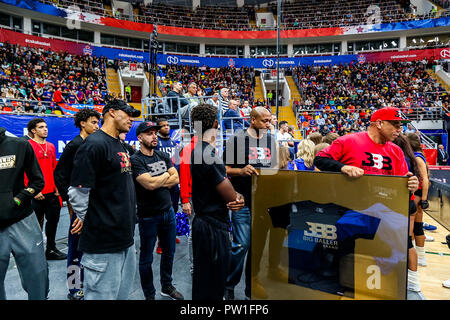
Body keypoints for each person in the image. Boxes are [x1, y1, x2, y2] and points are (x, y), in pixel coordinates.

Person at [314, 107, 423, 300]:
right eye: (395, 124)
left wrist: (410, 185)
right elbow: (320, 159)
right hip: (349, 211)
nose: (399, 129)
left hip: (383, 216)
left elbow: (402, 185)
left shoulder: (396, 151)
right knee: (344, 266)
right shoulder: (348, 141)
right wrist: (343, 167)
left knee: (382, 268)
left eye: (400, 125)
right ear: (379, 123)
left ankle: (408, 289)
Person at [68, 99, 141, 300]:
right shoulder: (94, 144)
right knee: (101, 296)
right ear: (111, 113)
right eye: (127, 115)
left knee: (120, 295)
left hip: (124, 237)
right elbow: (77, 192)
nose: (131, 120)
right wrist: (92, 221)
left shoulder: (119, 144)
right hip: (104, 241)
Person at [190, 103, 244, 300]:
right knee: (212, 283)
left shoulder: (199, 150)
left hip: (205, 223)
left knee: (205, 280)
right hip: (211, 227)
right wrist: (241, 197)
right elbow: (232, 197)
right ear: (215, 123)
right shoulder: (208, 154)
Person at [223, 107, 278, 300]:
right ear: (252, 120)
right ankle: (229, 284)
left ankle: (251, 287)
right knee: (241, 245)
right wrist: (240, 171)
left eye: (270, 121)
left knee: (257, 248)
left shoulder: (270, 140)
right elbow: (224, 169)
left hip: (263, 202)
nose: (268, 124)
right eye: (264, 121)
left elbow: (274, 168)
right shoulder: (237, 140)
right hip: (243, 201)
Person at [131, 121, 184, 300]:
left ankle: (166, 286)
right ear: (140, 137)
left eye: (155, 133)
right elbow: (149, 184)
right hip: (148, 216)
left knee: (169, 252)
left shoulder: (161, 155)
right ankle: (150, 295)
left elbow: (175, 179)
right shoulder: (136, 160)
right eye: (149, 133)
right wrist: (163, 178)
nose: (154, 136)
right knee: (146, 258)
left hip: (168, 212)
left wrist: (156, 180)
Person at [53, 108, 100, 300]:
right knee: (74, 250)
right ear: (83, 123)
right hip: (78, 208)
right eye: (93, 122)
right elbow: (60, 175)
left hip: (93, 207)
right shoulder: (75, 145)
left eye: (98, 122)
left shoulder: (94, 144)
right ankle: (73, 288)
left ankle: (90, 283)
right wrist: (71, 204)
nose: (97, 126)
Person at [0, 126, 48, 300]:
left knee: (37, 277)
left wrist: (18, 199)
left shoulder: (19, 145)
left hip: (22, 219)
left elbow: (37, 181)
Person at [27, 118, 66, 260]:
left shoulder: (50, 146)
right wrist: (34, 190)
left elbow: (53, 169)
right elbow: (25, 171)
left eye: (46, 127)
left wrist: (57, 188)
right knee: (35, 225)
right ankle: (34, 253)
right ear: (33, 130)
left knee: (53, 222)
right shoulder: (28, 145)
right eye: (41, 127)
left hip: (52, 192)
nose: (45, 129)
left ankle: (51, 249)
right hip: (36, 193)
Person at [406, 133, 433, 263]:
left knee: (413, 226)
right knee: (417, 226)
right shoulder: (418, 155)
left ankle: (416, 257)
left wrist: (423, 199)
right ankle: (420, 257)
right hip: (419, 194)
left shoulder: (417, 158)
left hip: (418, 194)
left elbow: (425, 179)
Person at [156, 118, 181, 252]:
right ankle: (160, 242)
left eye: (167, 125)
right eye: (163, 126)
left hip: (174, 183)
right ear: (158, 128)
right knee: (163, 213)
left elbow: (177, 162)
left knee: (174, 210)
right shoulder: (156, 143)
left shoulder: (173, 142)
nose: (166, 127)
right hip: (163, 183)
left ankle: (171, 235)